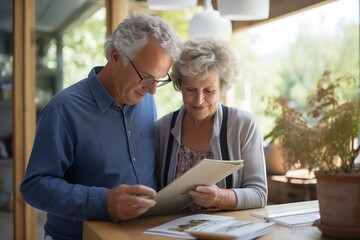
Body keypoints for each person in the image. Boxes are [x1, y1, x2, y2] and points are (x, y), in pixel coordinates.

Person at [20, 12, 181, 240]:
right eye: (146, 76)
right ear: (116, 56)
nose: (153, 90)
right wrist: (104, 202)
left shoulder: (146, 99)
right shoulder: (63, 109)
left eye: (160, 80)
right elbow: (34, 187)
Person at [155, 37, 267, 212]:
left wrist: (220, 197)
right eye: (190, 89)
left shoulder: (243, 125)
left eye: (209, 90)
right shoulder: (162, 129)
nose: (199, 100)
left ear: (222, 89)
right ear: (180, 85)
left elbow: (259, 194)